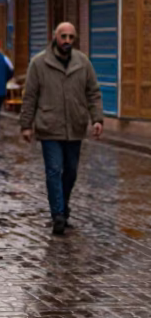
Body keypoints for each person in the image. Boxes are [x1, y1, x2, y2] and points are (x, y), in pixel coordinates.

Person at [20, 21, 103, 235]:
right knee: (54, 171)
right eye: (63, 36)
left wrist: (97, 119)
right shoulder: (39, 63)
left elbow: (93, 92)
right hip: (49, 126)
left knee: (71, 172)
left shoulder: (83, 63)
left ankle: (63, 206)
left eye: (70, 37)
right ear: (55, 37)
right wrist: (26, 125)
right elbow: (30, 96)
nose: (67, 41)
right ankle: (57, 214)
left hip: (75, 126)